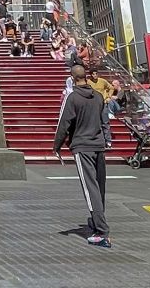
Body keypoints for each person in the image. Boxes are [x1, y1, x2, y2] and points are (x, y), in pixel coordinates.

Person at [55, 64, 112, 248]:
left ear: (72, 79)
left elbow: (64, 124)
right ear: (86, 77)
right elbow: (104, 120)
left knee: (90, 188)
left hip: (82, 145)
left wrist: (57, 146)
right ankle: (97, 221)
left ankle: (102, 232)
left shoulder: (73, 98)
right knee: (99, 185)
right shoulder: (97, 97)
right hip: (98, 145)